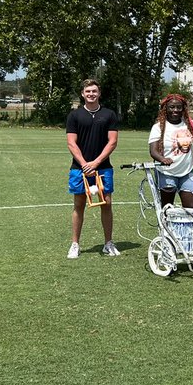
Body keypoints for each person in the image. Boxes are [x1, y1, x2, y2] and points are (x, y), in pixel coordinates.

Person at [65, 79, 120, 258]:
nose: (91, 94)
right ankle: (75, 244)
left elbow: (112, 142)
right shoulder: (74, 115)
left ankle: (108, 243)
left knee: (107, 203)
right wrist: (84, 164)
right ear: (82, 94)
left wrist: (95, 163)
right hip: (79, 168)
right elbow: (71, 143)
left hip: (103, 168)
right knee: (79, 204)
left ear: (99, 93)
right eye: (88, 91)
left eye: (94, 91)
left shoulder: (109, 114)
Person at [148, 93, 193, 209]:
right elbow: (153, 151)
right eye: (172, 107)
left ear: (183, 109)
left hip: (186, 173)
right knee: (167, 210)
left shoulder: (191, 125)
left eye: (179, 107)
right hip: (166, 173)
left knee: (191, 211)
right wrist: (163, 159)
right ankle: (165, 228)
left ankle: (188, 228)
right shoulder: (158, 127)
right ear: (165, 109)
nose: (175, 110)